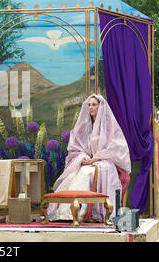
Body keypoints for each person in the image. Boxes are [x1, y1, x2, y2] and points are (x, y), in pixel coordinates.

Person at [48, 94, 131, 223]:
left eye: (94, 105)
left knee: (86, 173)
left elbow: (116, 148)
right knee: (78, 172)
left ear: (100, 107)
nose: (90, 107)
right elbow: (76, 148)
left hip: (105, 162)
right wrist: (83, 158)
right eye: (89, 105)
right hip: (89, 162)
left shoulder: (109, 126)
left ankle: (80, 213)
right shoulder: (85, 127)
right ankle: (67, 212)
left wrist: (97, 158)